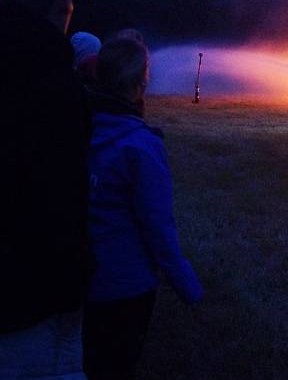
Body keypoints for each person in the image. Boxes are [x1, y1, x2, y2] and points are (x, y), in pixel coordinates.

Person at [0, 0, 92, 378]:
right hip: (31, 295)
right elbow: (60, 197)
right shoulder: (52, 84)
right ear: (60, 4)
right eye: (69, 0)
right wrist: (74, 281)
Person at [83, 37, 203, 379]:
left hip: (81, 281)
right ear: (141, 83)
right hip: (127, 288)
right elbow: (158, 226)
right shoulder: (141, 147)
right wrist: (188, 287)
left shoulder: (78, 133)